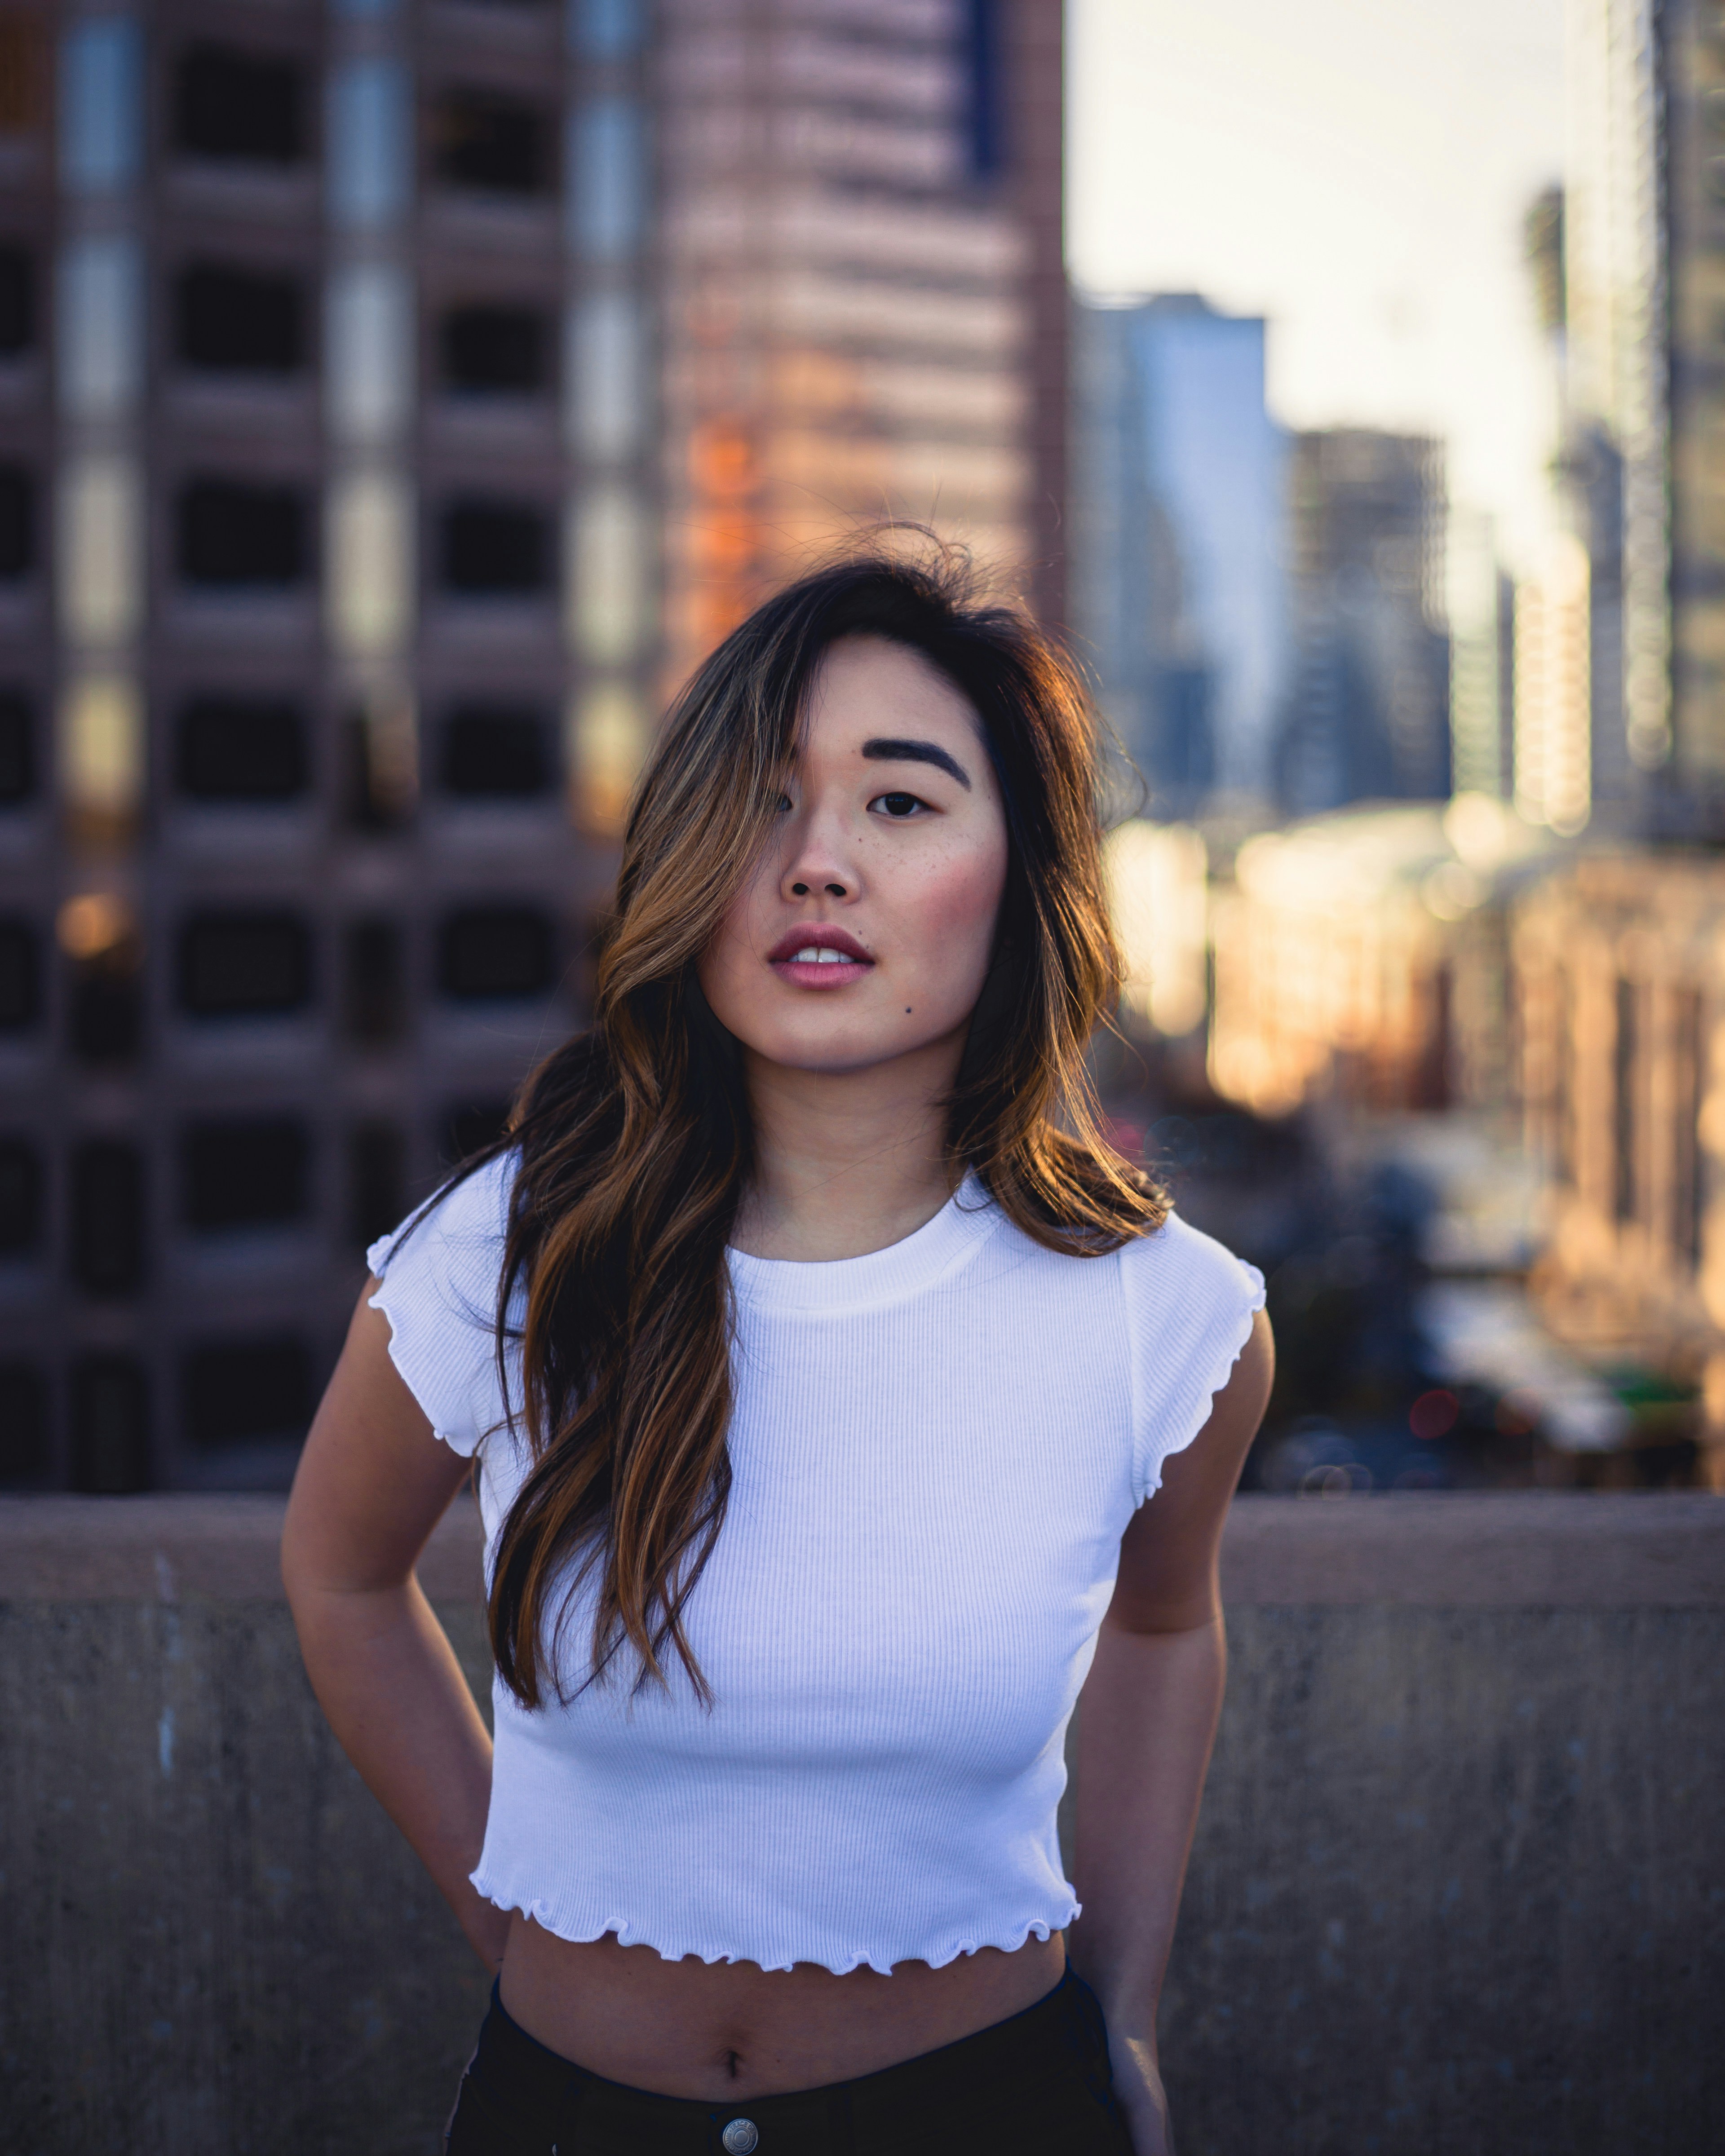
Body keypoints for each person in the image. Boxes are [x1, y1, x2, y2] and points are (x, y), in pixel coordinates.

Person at [282, 542, 1272, 2156]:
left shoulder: (1167, 1315)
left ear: (1017, 877)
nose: (818, 864)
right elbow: (337, 1573)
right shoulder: (519, 1246)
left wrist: (1131, 2016)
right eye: (761, 800)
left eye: (900, 803)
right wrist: (520, 1929)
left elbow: (1166, 1631)